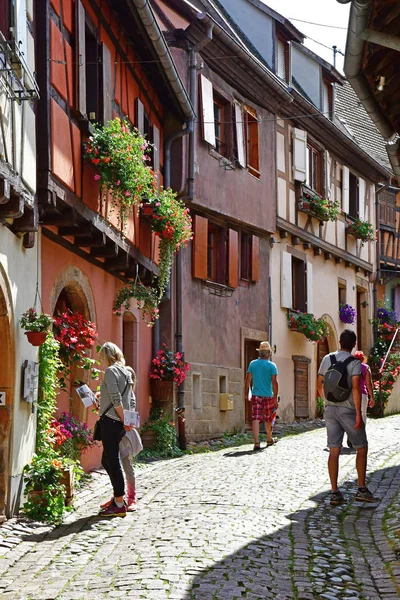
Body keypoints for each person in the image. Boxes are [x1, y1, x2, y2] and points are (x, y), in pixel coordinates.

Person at [317, 329, 377, 505]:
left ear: (340, 343)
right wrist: (359, 413)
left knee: (334, 451)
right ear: (353, 344)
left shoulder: (327, 358)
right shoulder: (355, 363)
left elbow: (319, 383)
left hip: (330, 409)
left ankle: (334, 492)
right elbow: (356, 388)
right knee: (361, 448)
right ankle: (361, 489)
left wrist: (326, 401)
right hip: (349, 410)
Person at [97, 342, 134, 517]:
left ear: (107, 355)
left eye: (102, 356)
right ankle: (117, 497)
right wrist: (128, 418)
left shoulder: (111, 370)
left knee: (112, 459)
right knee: (107, 459)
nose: (101, 360)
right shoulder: (126, 371)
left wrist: (121, 416)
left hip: (111, 421)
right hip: (119, 422)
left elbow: (116, 397)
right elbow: (131, 398)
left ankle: (119, 502)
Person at [245, 341, 279, 451]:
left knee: (255, 418)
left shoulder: (252, 364)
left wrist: (246, 392)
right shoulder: (272, 366)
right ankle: (269, 439)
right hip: (268, 395)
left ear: (260, 353)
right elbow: (275, 383)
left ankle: (256, 442)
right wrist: (275, 397)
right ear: (269, 353)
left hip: (256, 394)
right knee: (269, 417)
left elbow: (248, 380)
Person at [354, 351, 375, 423]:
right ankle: (361, 432)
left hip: (351, 394)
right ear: (362, 359)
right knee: (363, 415)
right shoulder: (365, 367)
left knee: (352, 415)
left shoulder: (350, 367)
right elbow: (368, 384)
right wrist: (372, 397)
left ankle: (352, 433)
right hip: (362, 394)